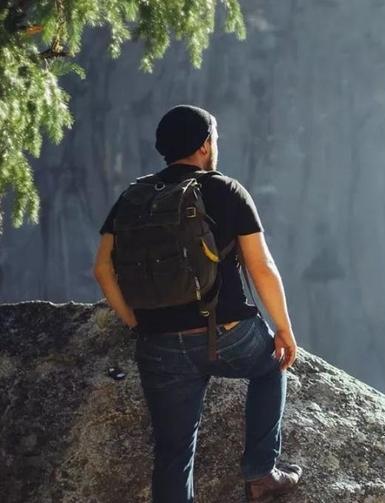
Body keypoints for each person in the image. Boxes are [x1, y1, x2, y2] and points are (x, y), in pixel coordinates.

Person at [93, 104, 301, 503]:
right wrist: (284, 330)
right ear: (206, 145)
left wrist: (136, 323)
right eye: (215, 139)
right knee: (271, 366)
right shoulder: (223, 189)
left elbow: (102, 269)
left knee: (173, 455)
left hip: (158, 343)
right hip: (227, 334)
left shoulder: (133, 196)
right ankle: (260, 473)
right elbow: (262, 267)